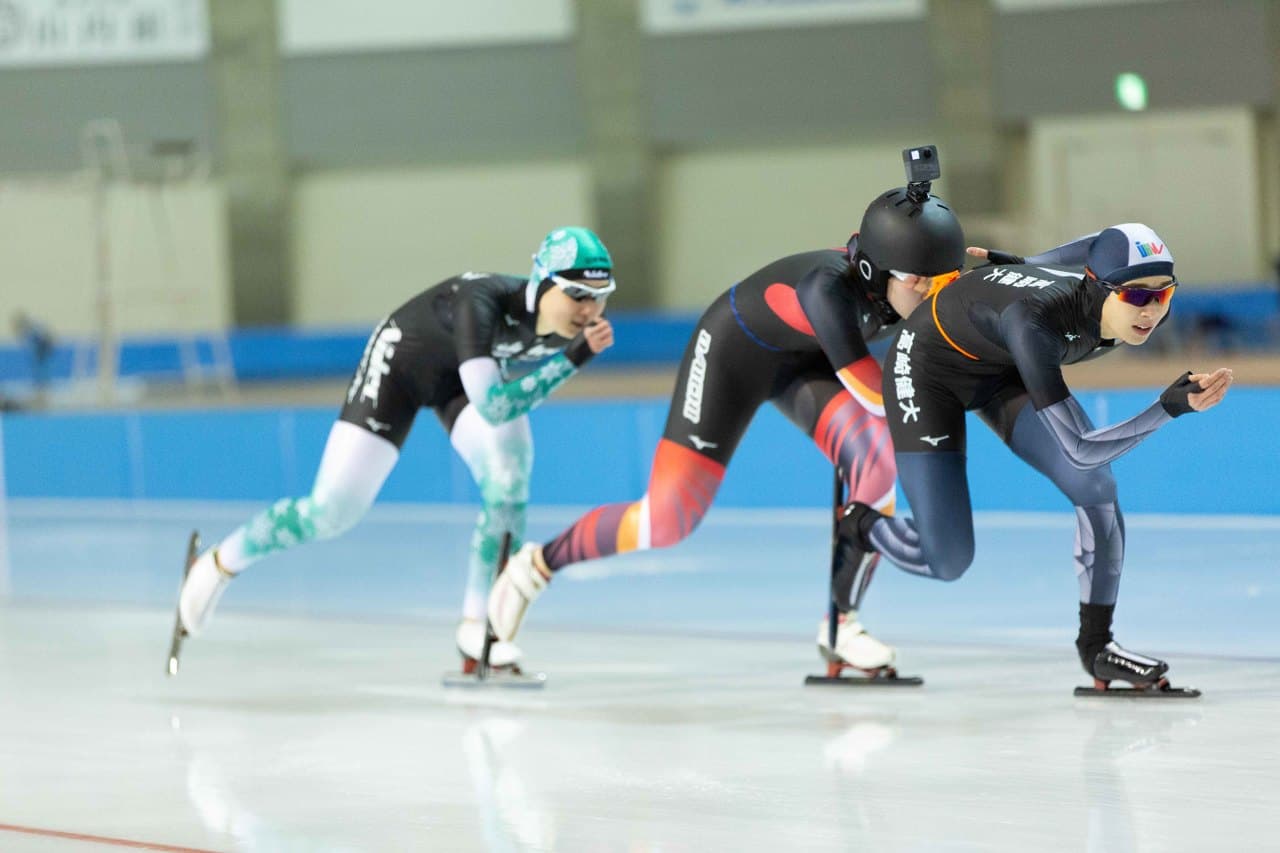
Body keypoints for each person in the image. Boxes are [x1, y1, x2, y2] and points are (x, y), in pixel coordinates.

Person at [485, 173, 968, 674]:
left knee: (877, 460)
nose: (936, 293)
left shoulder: (897, 284)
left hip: (802, 360)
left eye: (946, 279)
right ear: (877, 271)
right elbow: (872, 391)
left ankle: (841, 625)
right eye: (925, 281)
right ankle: (534, 566)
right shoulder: (827, 289)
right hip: (730, 356)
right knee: (667, 519)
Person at [173, 227, 617, 672]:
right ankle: (216, 564)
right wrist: (573, 358)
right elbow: (496, 407)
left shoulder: (567, 324)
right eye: (577, 293)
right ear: (542, 281)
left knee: (509, 471)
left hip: (461, 378)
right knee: (331, 511)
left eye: (600, 296)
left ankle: (481, 626)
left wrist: (570, 352)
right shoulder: (482, 303)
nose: (589, 309)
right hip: (401, 367)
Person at [836, 222, 1229, 689]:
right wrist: (1167, 409)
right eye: (1136, 298)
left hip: (996, 360)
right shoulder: (1036, 323)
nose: (1150, 312)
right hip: (926, 371)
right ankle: (860, 525)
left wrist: (1029, 262)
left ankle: (1097, 646)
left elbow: (1096, 241)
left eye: (1163, 296)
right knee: (947, 559)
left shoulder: (1093, 291)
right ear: (1096, 284)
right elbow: (1079, 450)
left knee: (1096, 487)